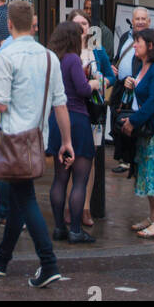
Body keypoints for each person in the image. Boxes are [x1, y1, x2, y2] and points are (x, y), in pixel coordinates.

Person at [0, 0, 74, 289]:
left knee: (26, 199)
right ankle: (3, 258)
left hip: (13, 138)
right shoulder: (49, 57)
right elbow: (60, 104)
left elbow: (3, 103)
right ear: (33, 23)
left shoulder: (5, 56)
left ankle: (49, 263)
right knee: (21, 197)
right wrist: (66, 141)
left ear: (8, 25)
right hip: (38, 137)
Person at [121, 28, 154, 239]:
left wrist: (133, 121)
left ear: (150, 45)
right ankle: (153, 217)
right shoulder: (144, 66)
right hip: (147, 131)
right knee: (146, 174)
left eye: (138, 42)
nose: (134, 45)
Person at [46, 21, 98, 245]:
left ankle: (59, 227)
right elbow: (83, 89)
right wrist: (95, 84)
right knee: (79, 179)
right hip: (76, 118)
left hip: (56, 119)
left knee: (59, 177)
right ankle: (75, 230)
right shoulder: (72, 59)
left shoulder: (52, 59)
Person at [66, 9, 114, 228]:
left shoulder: (97, 50)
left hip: (94, 111)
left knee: (90, 159)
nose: (82, 27)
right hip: (71, 110)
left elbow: (111, 77)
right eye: (77, 24)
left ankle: (85, 207)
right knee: (69, 158)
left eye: (84, 23)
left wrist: (100, 82)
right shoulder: (65, 50)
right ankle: (69, 206)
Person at [110, 6, 150, 173]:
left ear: (149, 22)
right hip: (121, 87)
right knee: (119, 121)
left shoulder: (153, 40)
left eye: (143, 19)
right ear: (132, 21)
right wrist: (113, 66)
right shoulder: (126, 37)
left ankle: (134, 159)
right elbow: (119, 57)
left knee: (134, 122)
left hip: (137, 87)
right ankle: (124, 160)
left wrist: (136, 80)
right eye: (137, 19)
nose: (140, 22)